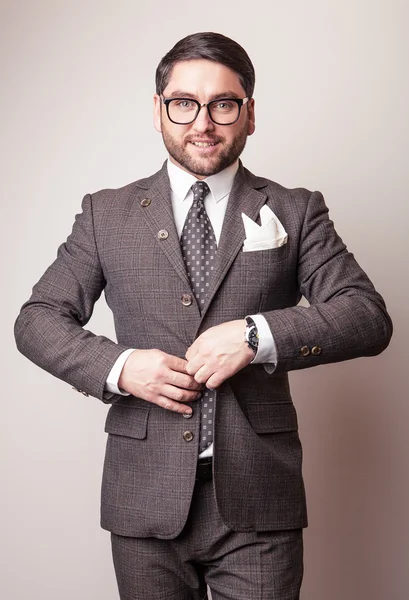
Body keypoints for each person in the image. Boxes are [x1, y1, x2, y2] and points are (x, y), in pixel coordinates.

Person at [14, 31, 392, 600]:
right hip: (143, 497)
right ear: (160, 111)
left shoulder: (294, 209)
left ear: (250, 114)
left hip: (259, 499)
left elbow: (366, 316)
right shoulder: (105, 214)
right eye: (184, 103)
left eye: (223, 104)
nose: (203, 122)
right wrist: (120, 367)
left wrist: (254, 335)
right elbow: (37, 319)